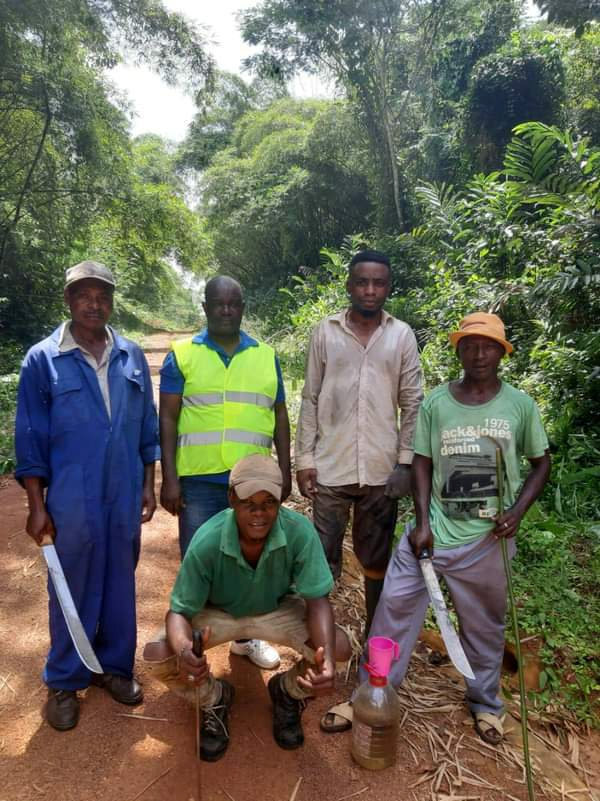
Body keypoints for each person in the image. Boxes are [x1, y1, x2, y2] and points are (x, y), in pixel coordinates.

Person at [321, 312, 551, 742]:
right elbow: (421, 461)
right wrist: (423, 522)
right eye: (470, 345)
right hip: (431, 534)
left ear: (502, 353)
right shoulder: (437, 403)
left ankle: (486, 704)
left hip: (488, 540)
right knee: (391, 614)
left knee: (484, 626)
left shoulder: (520, 405)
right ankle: (370, 695)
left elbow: (541, 463)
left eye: (488, 346)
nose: (479, 353)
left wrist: (517, 512)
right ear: (458, 350)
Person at [15, 260, 160, 731]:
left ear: (111, 301)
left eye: (102, 295)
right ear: (69, 300)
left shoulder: (131, 355)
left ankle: (114, 667)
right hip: (72, 495)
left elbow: (147, 430)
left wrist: (147, 484)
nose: (94, 303)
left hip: (122, 492)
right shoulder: (43, 359)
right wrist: (37, 507)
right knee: (69, 583)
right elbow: (31, 439)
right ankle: (64, 678)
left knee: (121, 577)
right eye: (84, 295)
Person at [143, 454, 351, 761]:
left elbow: (318, 601)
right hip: (218, 614)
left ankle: (288, 692)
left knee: (340, 648)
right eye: (248, 503)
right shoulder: (208, 540)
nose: (259, 513)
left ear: (280, 501)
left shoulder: (299, 532)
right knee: (159, 655)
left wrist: (328, 662)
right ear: (231, 499)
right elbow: (179, 612)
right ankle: (214, 698)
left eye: (268, 503)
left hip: (277, 609)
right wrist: (187, 651)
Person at [159, 275, 292, 671]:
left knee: (250, 563)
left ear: (243, 307)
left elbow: (280, 415)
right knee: (198, 562)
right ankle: (191, 648)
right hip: (199, 481)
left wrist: (284, 468)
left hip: (254, 484)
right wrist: (169, 477)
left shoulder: (266, 355)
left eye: (234, 304)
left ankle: (246, 639)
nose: (226, 310)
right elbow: (167, 417)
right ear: (205, 307)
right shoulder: (182, 354)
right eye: (218, 303)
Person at [295, 249, 423, 637]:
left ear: (388, 287)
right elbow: (311, 397)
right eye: (362, 282)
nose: (370, 290)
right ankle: (316, 642)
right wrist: (304, 459)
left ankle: (375, 641)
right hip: (331, 469)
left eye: (378, 283)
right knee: (321, 559)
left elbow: (412, 401)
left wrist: (404, 463)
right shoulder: (325, 332)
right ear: (349, 285)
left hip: (382, 474)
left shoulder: (401, 335)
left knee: (376, 562)